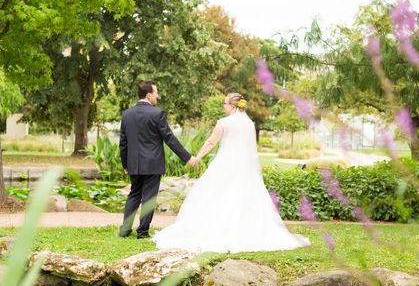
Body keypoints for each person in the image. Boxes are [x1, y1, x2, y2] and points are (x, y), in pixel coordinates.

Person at [153, 93, 310, 253]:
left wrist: (197, 158)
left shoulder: (224, 123)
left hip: (224, 164)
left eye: (225, 103)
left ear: (233, 106)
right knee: (243, 197)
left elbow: (211, 142)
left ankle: (214, 230)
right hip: (244, 167)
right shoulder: (249, 123)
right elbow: (251, 148)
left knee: (215, 195)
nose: (223, 106)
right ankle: (245, 232)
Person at [119, 81, 197, 239]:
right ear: (148, 95)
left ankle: (125, 229)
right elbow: (169, 139)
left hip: (134, 163)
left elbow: (123, 142)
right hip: (153, 163)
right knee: (148, 198)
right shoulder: (157, 113)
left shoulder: (127, 114)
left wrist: (125, 164)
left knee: (134, 194)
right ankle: (142, 232)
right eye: (156, 93)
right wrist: (187, 157)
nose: (157, 96)